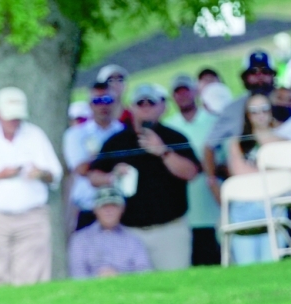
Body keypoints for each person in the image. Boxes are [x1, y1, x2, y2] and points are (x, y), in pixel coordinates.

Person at [89, 83, 201, 271]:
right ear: (132, 107)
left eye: (151, 103)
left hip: (170, 230)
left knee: (175, 287)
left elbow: (192, 172)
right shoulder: (117, 141)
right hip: (130, 231)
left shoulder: (175, 137)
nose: (146, 107)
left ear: (161, 107)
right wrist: (112, 177)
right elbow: (93, 176)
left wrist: (163, 152)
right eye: (140, 103)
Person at [0, 86, 63, 286]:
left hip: (31, 217)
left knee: (32, 276)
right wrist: (0, 175)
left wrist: (40, 173)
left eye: (17, 118)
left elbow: (55, 175)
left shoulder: (35, 135)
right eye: (9, 118)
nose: (14, 123)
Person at [203, 50, 291, 204]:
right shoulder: (232, 109)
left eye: (265, 71)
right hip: (251, 194)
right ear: (244, 77)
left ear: (273, 75)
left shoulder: (287, 100)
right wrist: (213, 184)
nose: (259, 77)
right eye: (253, 72)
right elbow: (209, 146)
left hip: (290, 190)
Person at [164, 73, 221, 265]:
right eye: (177, 92)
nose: (182, 95)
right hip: (183, 214)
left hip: (213, 210)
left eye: (186, 90)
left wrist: (209, 167)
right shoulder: (168, 126)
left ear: (195, 92)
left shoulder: (214, 121)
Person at [224, 94, 289, 265]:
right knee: (246, 267)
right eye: (254, 111)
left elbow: (290, 178)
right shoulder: (237, 143)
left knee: (272, 265)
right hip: (243, 212)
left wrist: (262, 172)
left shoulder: (284, 141)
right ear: (247, 115)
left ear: (271, 112)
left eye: (264, 109)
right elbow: (239, 173)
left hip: (275, 209)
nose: (260, 115)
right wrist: (272, 170)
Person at [63, 81, 124, 231]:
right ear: (90, 105)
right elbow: (81, 169)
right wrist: (114, 169)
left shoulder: (123, 132)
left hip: (120, 207)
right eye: (97, 101)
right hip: (87, 207)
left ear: (114, 103)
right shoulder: (76, 134)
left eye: (107, 100)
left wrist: (95, 163)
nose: (102, 106)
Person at [68, 187, 151, 279]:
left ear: (122, 209)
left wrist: (119, 276)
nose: (109, 211)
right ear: (95, 209)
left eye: (113, 206)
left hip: (125, 288)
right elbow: (77, 274)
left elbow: (145, 271)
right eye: (104, 206)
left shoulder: (133, 239)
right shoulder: (80, 239)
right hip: (92, 289)